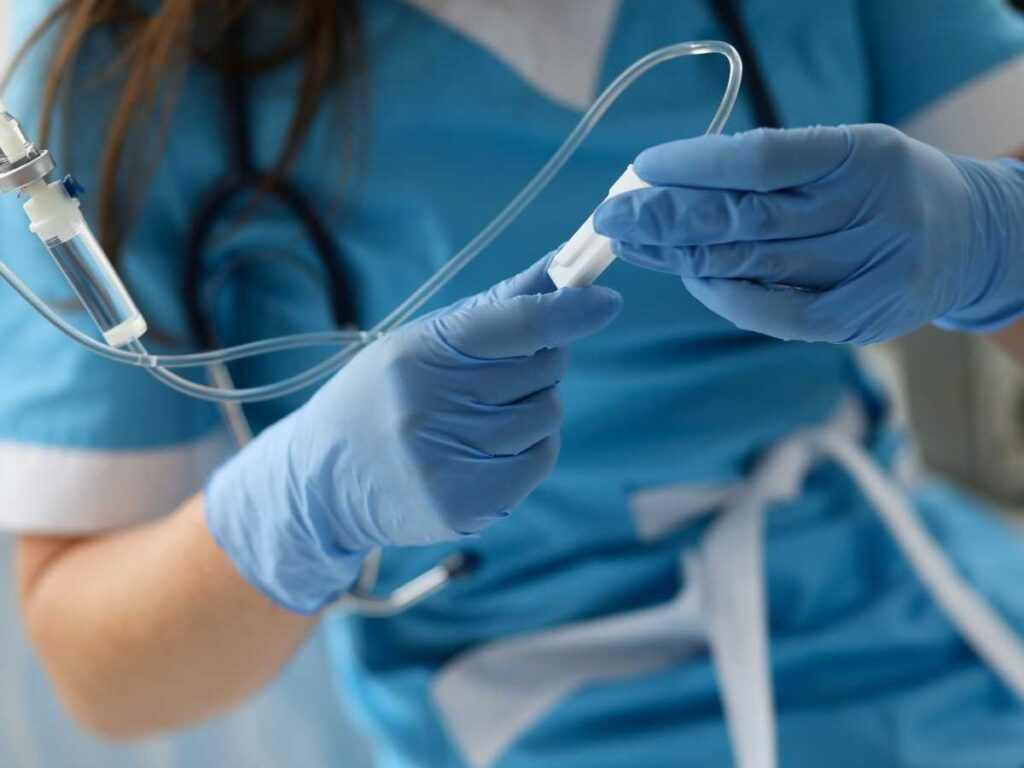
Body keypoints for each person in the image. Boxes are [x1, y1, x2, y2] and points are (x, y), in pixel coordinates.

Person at [2, 2, 1024, 767]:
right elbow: (102, 671)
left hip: (937, 620)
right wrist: (297, 508)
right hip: (542, 721)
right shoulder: (109, 79)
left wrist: (994, 236)